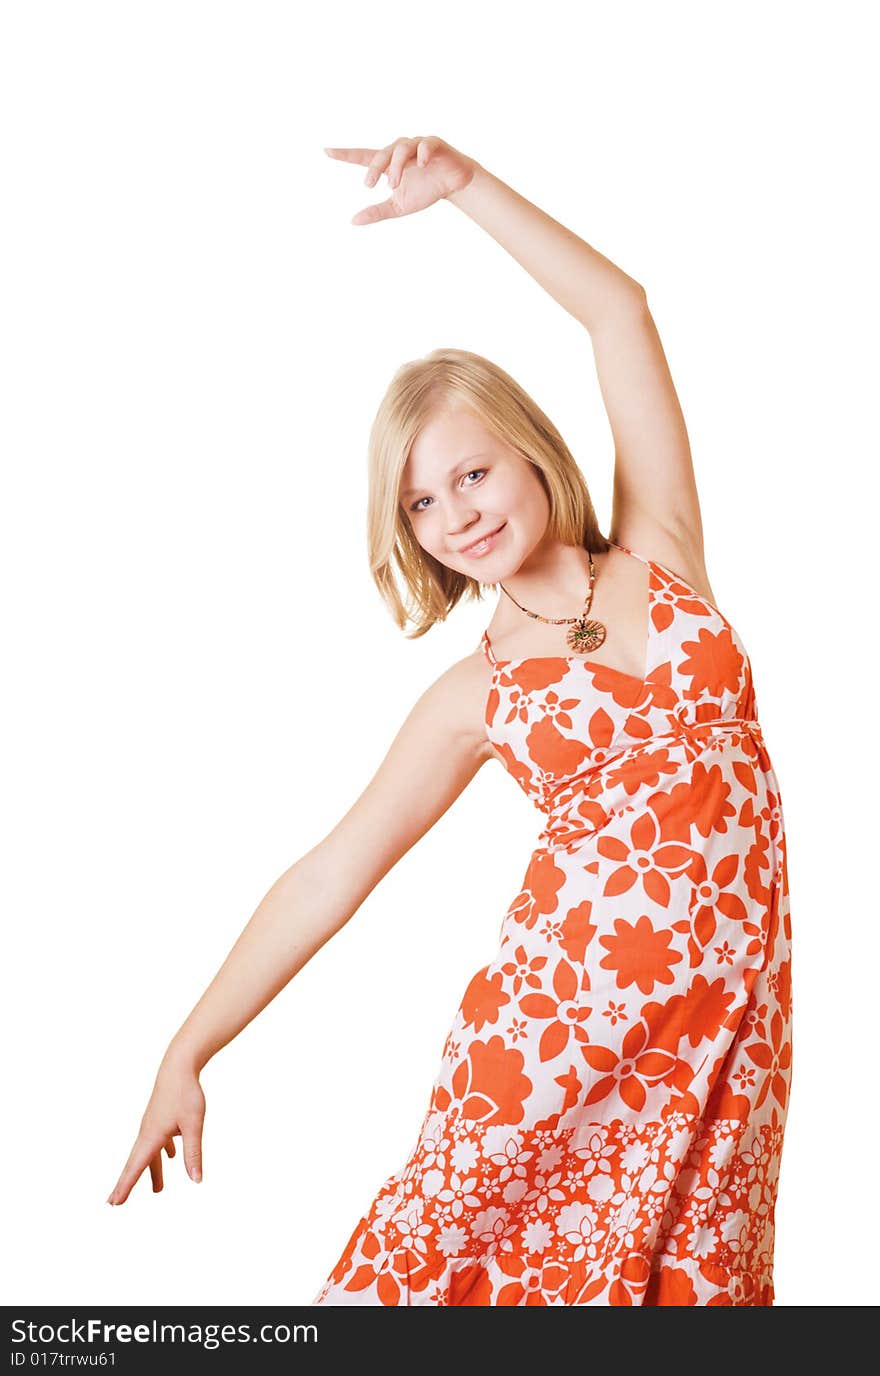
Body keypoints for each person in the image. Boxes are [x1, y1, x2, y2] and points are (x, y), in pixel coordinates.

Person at [107, 136, 793, 1308]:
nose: (453, 514)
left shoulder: (659, 553)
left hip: (725, 1035)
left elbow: (619, 312)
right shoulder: (476, 691)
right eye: (419, 502)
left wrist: (467, 188)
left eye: (469, 475)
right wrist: (187, 1046)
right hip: (549, 1041)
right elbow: (330, 871)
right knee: (437, 1286)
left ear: (527, 450)